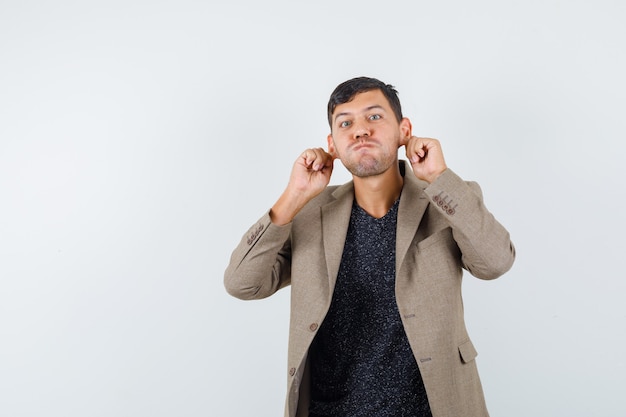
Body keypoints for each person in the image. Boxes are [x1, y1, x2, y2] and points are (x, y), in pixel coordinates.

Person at [224, 76, 515, 417]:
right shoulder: (307, 215)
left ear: (404, 130)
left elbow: (496, 262)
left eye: (374, 117)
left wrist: (439, 177)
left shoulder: (447, 198)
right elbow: (242, 283)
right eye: (346, 123)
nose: (360, 131)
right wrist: (293, 197)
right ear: (332, 144)